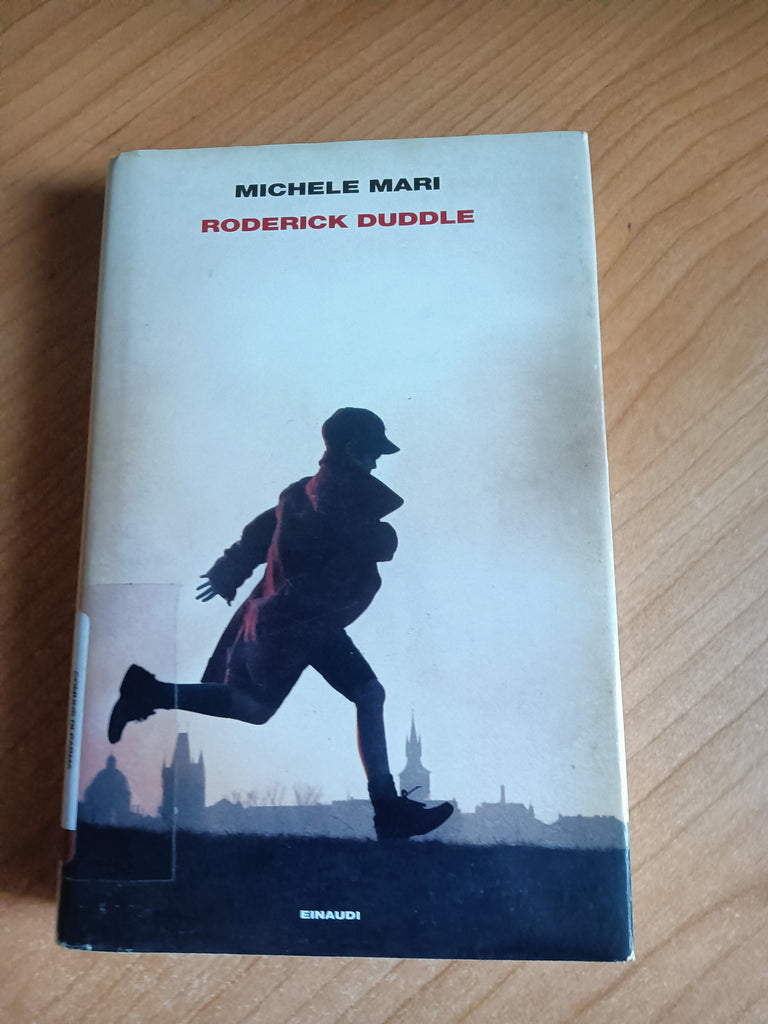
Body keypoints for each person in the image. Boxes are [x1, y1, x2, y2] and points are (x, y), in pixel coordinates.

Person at [108, 408, 453, 840]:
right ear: (352, 450)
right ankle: (387, 810)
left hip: (292, 618)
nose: (376, 464)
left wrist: (229, 569)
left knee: (259, 707)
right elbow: (375, 543)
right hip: (300, 620)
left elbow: (261, 532)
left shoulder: (301, 492)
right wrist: (386, 536)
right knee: (363, 693)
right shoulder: (335, 492)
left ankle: (151, 692)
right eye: (372, 454)